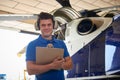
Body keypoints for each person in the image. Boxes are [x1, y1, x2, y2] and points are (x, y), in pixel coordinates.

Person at [26, 12, 73, 80]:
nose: (46, 27)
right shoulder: (32, 45)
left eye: (49, 25)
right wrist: (51, 66)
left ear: (53, 26)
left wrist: (61, 65)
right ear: (39, 27)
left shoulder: (61, 43)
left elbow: (70, 65)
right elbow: (30, 70)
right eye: (43, 25)